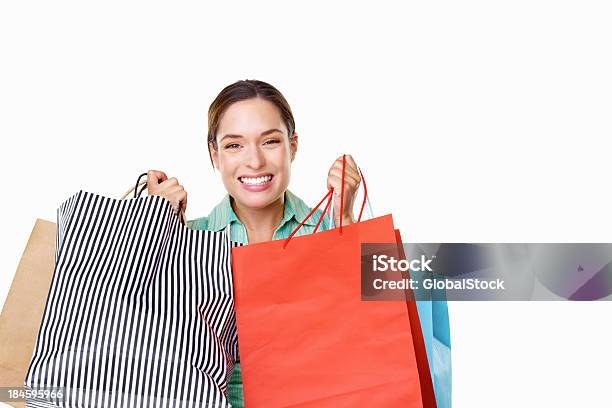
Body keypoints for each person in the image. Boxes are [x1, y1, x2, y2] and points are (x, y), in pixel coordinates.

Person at [148, 79, 452, 407]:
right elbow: (145, 350)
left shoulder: (328, 230)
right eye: (235, 145)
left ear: (293, 146)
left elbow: (382, 337)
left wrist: (345, 224)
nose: (254, 161)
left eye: (270, 142)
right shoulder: (189, 241)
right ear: (215, 154)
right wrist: (152, 225)